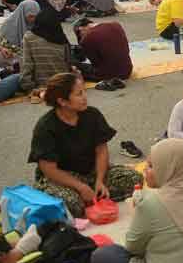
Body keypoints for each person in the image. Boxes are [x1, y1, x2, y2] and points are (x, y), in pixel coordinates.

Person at [28, 73, 143, 218]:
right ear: (62, 101)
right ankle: (84, 198)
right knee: (72, 205)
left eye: (84, 92)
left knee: (134, 180)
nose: (85, 97)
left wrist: (100, 181)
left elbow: (101, 151)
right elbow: (49, 170)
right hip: (63, 178)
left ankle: (92, 195)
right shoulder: (45, 127)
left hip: (91, 172)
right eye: (79, 94)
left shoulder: (92, 115)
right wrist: (80, 187)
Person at [19, 7, 72, 94]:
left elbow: (27, 64)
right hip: (63, 84)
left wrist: (28, 87)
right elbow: (68, 62)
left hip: (40, 86)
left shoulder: (29, 37)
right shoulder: (61, 37)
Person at [74, 17, 133, 83]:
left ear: (81, 29)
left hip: (110, 75)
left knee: (73, 66)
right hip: (127, 69)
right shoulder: (116, 24)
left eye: (80, 36)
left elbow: (96, 63)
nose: (82, 37)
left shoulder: (87, 39)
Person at [0, 0, 39, 65]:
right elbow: (5, 47)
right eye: (31, 16)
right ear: (22, 13)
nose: (34, 19)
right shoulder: (9, 25)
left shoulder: (39, 23)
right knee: (0, 57)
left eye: (36, 16)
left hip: (35, 55)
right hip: (15, 55)